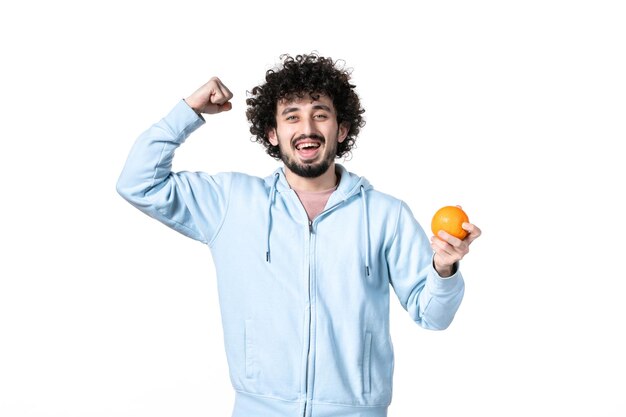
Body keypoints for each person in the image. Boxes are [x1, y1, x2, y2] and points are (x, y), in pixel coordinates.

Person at [117, 53, 481, 417]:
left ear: (341, 129)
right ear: (272, 133)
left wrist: (444, 269)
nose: (307, 128)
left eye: (320, 114)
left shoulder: (386, 215)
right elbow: (138, 183)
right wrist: (187, 111)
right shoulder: (232, 202)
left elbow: (433, 314)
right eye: (292, 116)